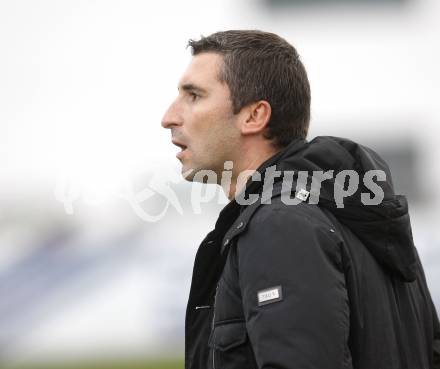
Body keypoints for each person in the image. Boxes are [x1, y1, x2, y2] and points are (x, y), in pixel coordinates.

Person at [161, 30, 440, 369]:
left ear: (254, 116)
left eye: (194, 96)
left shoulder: (281, 224)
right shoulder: (353, 216)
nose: (169, 117)